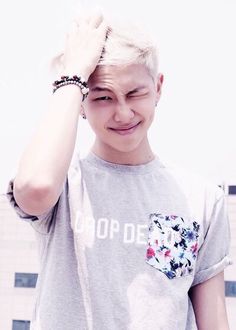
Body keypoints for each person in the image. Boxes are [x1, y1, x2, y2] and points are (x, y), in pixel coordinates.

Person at [7, 11, 231, 330]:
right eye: (103, 97)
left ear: (158, 88)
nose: (123, 112)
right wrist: (73, 76)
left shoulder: (202, 198)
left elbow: (214, 321)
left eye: (135, 93)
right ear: (81, 103)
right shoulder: (65, 184)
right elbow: (36, 188)